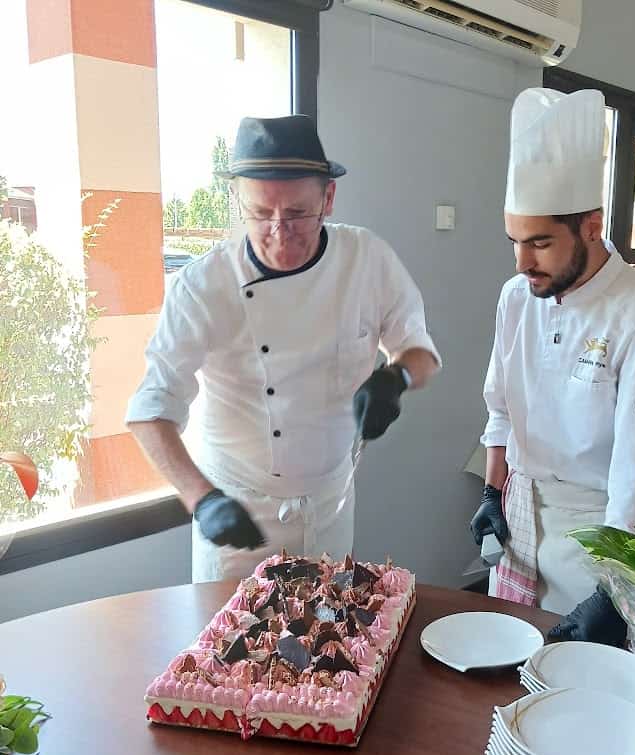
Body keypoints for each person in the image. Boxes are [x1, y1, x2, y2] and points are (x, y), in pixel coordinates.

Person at [127, 115, 440, 582]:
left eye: (296, 213)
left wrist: (396, 378)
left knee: (330, 643)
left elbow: (421, 352)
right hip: (240, 511)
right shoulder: (204, 285)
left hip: (331, 502)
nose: (278, 230)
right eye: (259, 214)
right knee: (233, 648)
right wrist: (202, 498)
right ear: (239, 202)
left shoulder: (367, 260)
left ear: (328, 198)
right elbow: (150, 411)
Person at [470, 88, 635, 642]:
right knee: (513, 671)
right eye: (514, 241)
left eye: (540, 243)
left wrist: (618, 588)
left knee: (582, 689)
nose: (522, 263)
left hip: (599, 534)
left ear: (590, 226)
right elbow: (500, 405)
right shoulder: (515, 297)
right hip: (521, 513)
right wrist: (492, 492)